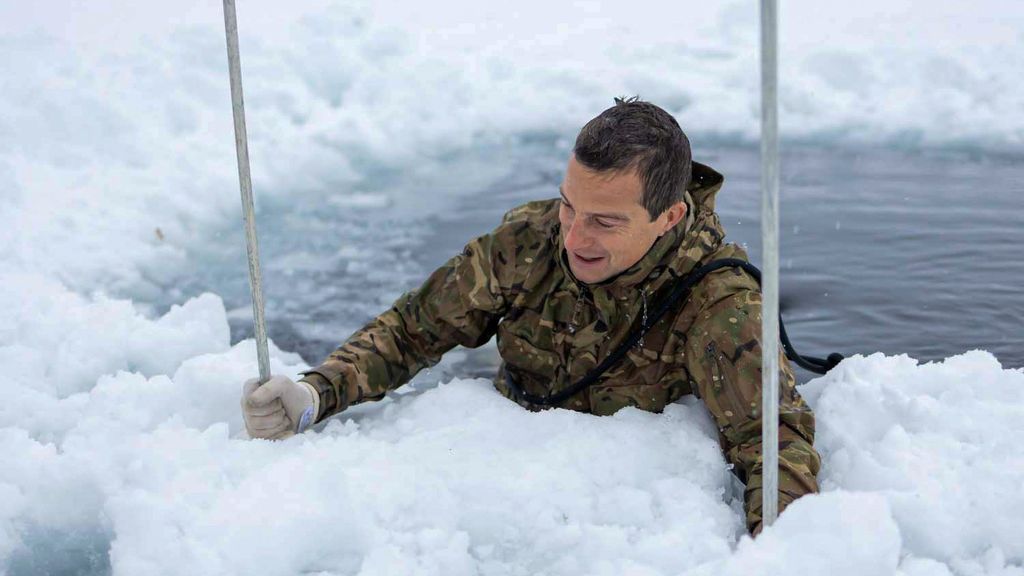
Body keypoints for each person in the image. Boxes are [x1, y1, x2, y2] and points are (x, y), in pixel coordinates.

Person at [241, 97, 821, 535]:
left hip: (621, 523)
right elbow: (413, 330)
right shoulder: (530, 240)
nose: (575, 236)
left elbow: (772, 441)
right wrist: (317, 392)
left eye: (605, 221)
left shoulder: (720, 307)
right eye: (570, 205)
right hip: (504, 484)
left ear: (669, 217)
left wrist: (781, 549)